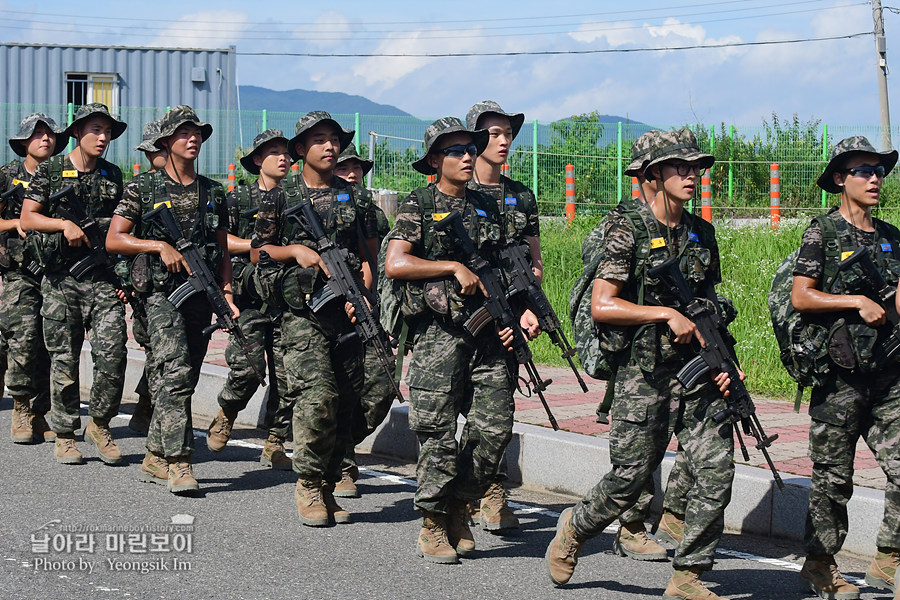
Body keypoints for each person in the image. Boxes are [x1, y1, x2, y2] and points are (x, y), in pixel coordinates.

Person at [545, 128, 737, 599]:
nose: (692, 175)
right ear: (654, 174)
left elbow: (706, 302)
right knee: (629, 478)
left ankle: (688, 575)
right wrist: (662, 313)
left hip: (696, 370)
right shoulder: (626, 229)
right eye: (680, 167)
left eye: (696, 168)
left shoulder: (701, 234)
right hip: (642, 372)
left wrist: (726, 358)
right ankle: (575, 528)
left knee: (716, 467)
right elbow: (603, 305)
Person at [384, 117, 536, 564]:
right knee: (437, 433)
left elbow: (510, 266)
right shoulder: (420, 203)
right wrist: (450, 268)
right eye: (456, 151)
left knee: (494, 428)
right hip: (438, 337)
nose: (468, 156)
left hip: (488, 335)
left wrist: (515, 312)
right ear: (435, 160)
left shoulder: (488, 205)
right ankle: (433, 522)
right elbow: (396, 262)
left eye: (471, 148)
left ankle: (460, 505)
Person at [251, 111, 376, 526]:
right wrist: (295, 252)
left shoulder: (354, 196)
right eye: (319, 139)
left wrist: (366, 297)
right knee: (317, 397)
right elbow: (258, 253)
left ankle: (326, 483)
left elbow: (369, 255)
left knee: (345, 400)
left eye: (335, 139)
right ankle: (307, 483)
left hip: (346, 310)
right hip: (300, 313)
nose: (330, 146)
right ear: (301, 149)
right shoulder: (281, 196)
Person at [791, 135, 900, 600]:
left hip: (889, 374)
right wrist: (855, 301)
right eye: (863, 171)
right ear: (840, 179)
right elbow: (802, 295)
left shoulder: (893, 237)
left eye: (879, 171)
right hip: (838, 375)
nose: (875, 179)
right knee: (834, 478)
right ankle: (819, 564)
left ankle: (888, 556)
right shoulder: (823, 231)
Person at [106, 105, 233, 494]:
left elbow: (223, 248)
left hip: (201, 293)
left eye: (196, 133)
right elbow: (115, 239)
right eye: (183, 133)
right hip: (160, 294)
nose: (192, 138)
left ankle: (155, 455)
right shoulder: (143, 188)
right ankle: (179, 462)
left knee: (185, 375)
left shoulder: (213, 191)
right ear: (166, 142)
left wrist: (226, 292)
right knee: (175, 372)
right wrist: (157, 244)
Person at [21, 103, 128, 466]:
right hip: (61, 279)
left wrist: (124, 277)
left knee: (113, 357)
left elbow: (124, 227)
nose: (103, 137)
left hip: (102, 280)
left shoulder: (114, 175)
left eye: (108, 132)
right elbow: (28, 216)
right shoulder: (52, 170)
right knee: (63, 359)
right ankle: (65, 432)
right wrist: (62, 225)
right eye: (96, 130)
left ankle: (99, 423)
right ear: (78, 132)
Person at [463, 100, 540, 532]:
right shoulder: (456, 193)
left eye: (508, 132)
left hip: (506, 317)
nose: (504, 140)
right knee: (456, 409)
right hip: (460, 318)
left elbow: (535, 263)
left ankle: (490, 492)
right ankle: (457, 491)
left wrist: (528, 308)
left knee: (495, 410)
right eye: (494, 133)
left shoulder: (521, 196)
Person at [206, 128, 293, 471]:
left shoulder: (296, 198)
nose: (283, 158)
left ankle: (275, 442)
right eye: (274, 153)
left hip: (286, 298)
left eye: (287, 153)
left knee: (288, 377)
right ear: (258, 160)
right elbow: (221, 240)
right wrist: (254, 248)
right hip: (249, 295)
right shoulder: (237, 198)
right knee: (247, 368)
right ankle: (227, 412)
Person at [332, 142, 397, 498]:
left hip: (369, 310)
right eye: (344, 167)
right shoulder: (316, 207)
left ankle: (337, 442)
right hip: (327, 311)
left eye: (357, 167)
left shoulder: (374, 215)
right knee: (338, 389)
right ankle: (341, 461)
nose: (353, 173)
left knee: (384, 384)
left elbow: (379, 264)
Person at [0, 113, 66, 444]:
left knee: (50, 342)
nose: (45, 139)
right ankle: (21, 406)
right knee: (24, 336)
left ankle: (41, 412)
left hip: (54, 271)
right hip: (17, 271)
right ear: (24, 142)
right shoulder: (7, 176)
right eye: (37, 134)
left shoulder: (61, 175)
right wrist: (14, 224)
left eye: (50, 134)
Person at [128, 118, 167, 435]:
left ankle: (147, 407)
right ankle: (149, 410)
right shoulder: (141, 189)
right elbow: (122, 241)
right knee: (156, 349)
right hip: (146, 285)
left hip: (179, 284)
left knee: (163, 352)